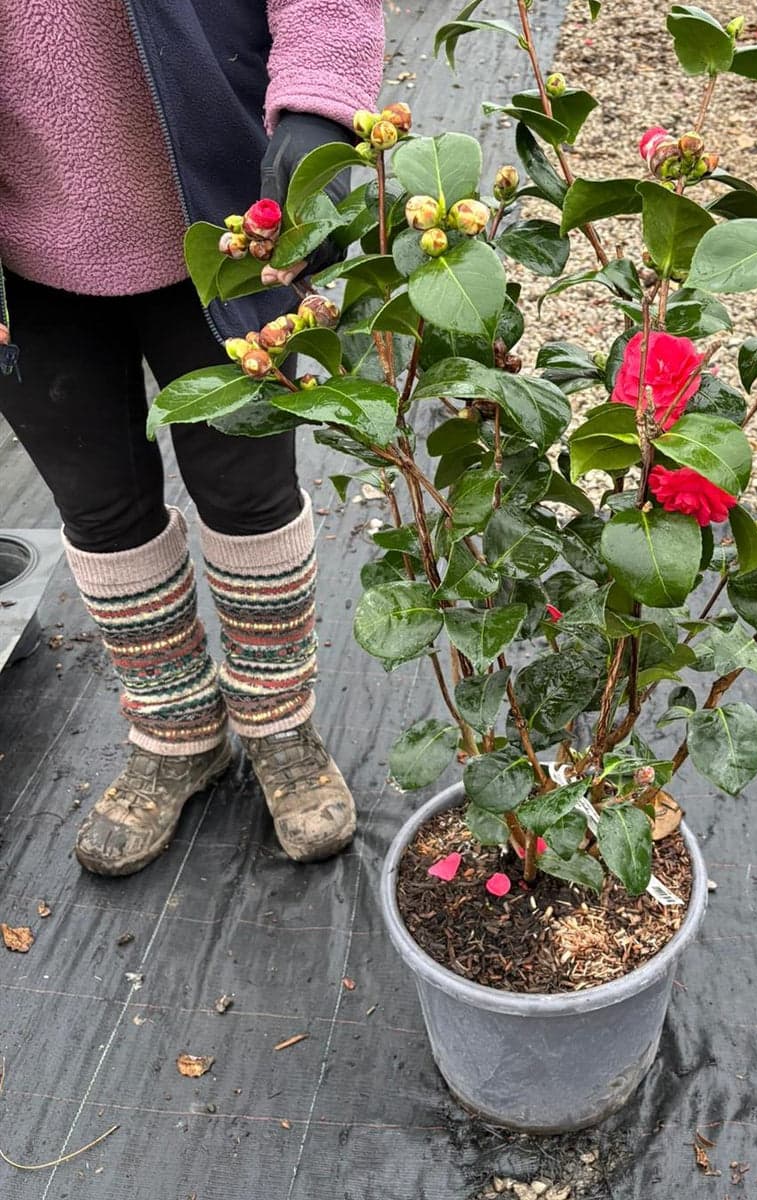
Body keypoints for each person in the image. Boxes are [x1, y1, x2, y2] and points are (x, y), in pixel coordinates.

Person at [0, 2, 385, 876]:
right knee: (100, 509)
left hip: (220, 225)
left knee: (248, 493)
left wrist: (322, 103)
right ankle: (177, 732)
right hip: (23, 271)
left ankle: (277, 724)